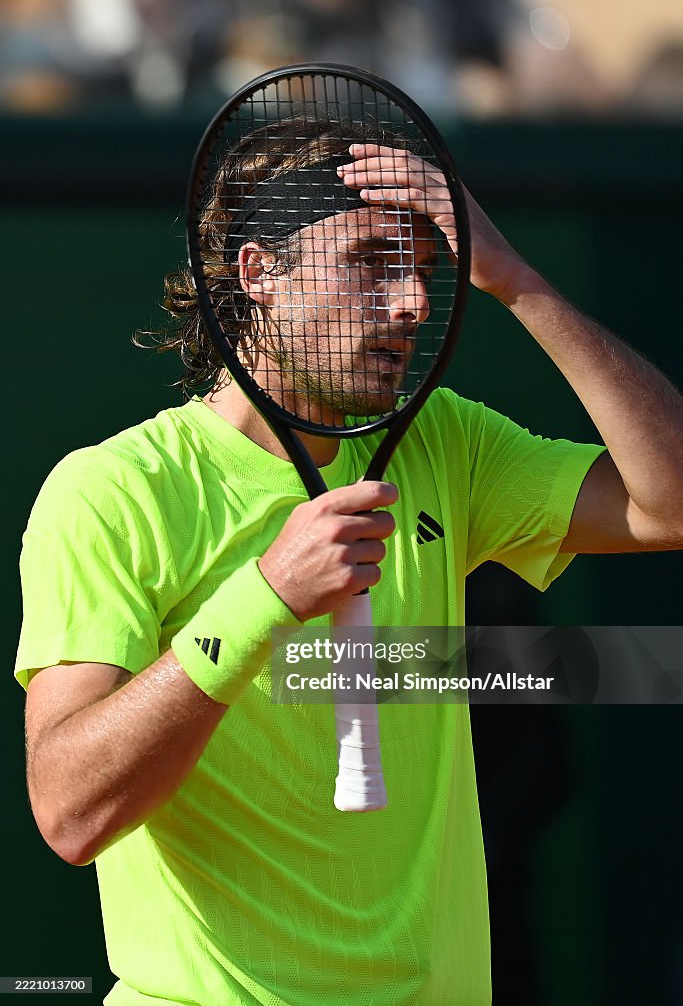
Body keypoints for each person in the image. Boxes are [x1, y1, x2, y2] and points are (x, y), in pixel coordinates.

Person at [16, 113, 683, 1006]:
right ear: (260, 273)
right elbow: (70, 810)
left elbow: (669, 501)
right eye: (370, 262)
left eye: (423, 269)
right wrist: (264, 598)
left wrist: (516, 283)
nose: (410, 301)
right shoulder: (112, 490)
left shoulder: (447, 442)